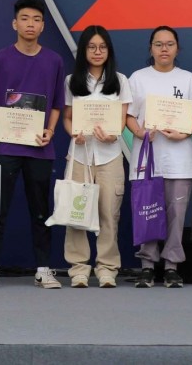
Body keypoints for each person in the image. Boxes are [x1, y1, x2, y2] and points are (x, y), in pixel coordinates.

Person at [0, 0, 66, 290]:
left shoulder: (54, 61)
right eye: (24, 18)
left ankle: (44, 268)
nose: (30, 24)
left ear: (42, 25)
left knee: (41, 211)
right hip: (5, 147)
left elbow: (56, 105)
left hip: (40, 148)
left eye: (36, 19)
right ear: (15, 23)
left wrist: (50, 131)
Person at [127, 26, 192, 288]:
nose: (164, 49)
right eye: (159, 44)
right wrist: (140, 131)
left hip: (179, 160)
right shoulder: (137, 78)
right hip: (147, 159)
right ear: (151, 48)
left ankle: (171, 267)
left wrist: (184, 133)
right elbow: (129, 115)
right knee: (147, 212)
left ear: (177, 48)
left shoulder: (189, 79)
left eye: (169, 44)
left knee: (176, 216)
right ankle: (147, 266)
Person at [61, 25, 130, 289]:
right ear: (84, 51)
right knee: (76, 212)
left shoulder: (120, 81)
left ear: (108, 50)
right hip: (79, 155)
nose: (97, 52)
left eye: (102, 47)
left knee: (109, 214)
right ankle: (78, 268)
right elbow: (67, 119)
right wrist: (74, 133)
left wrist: (114, 135)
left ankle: (107, 267)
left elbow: (122, 119)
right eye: (92, 47)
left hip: (110, 156)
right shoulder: (71, 81)